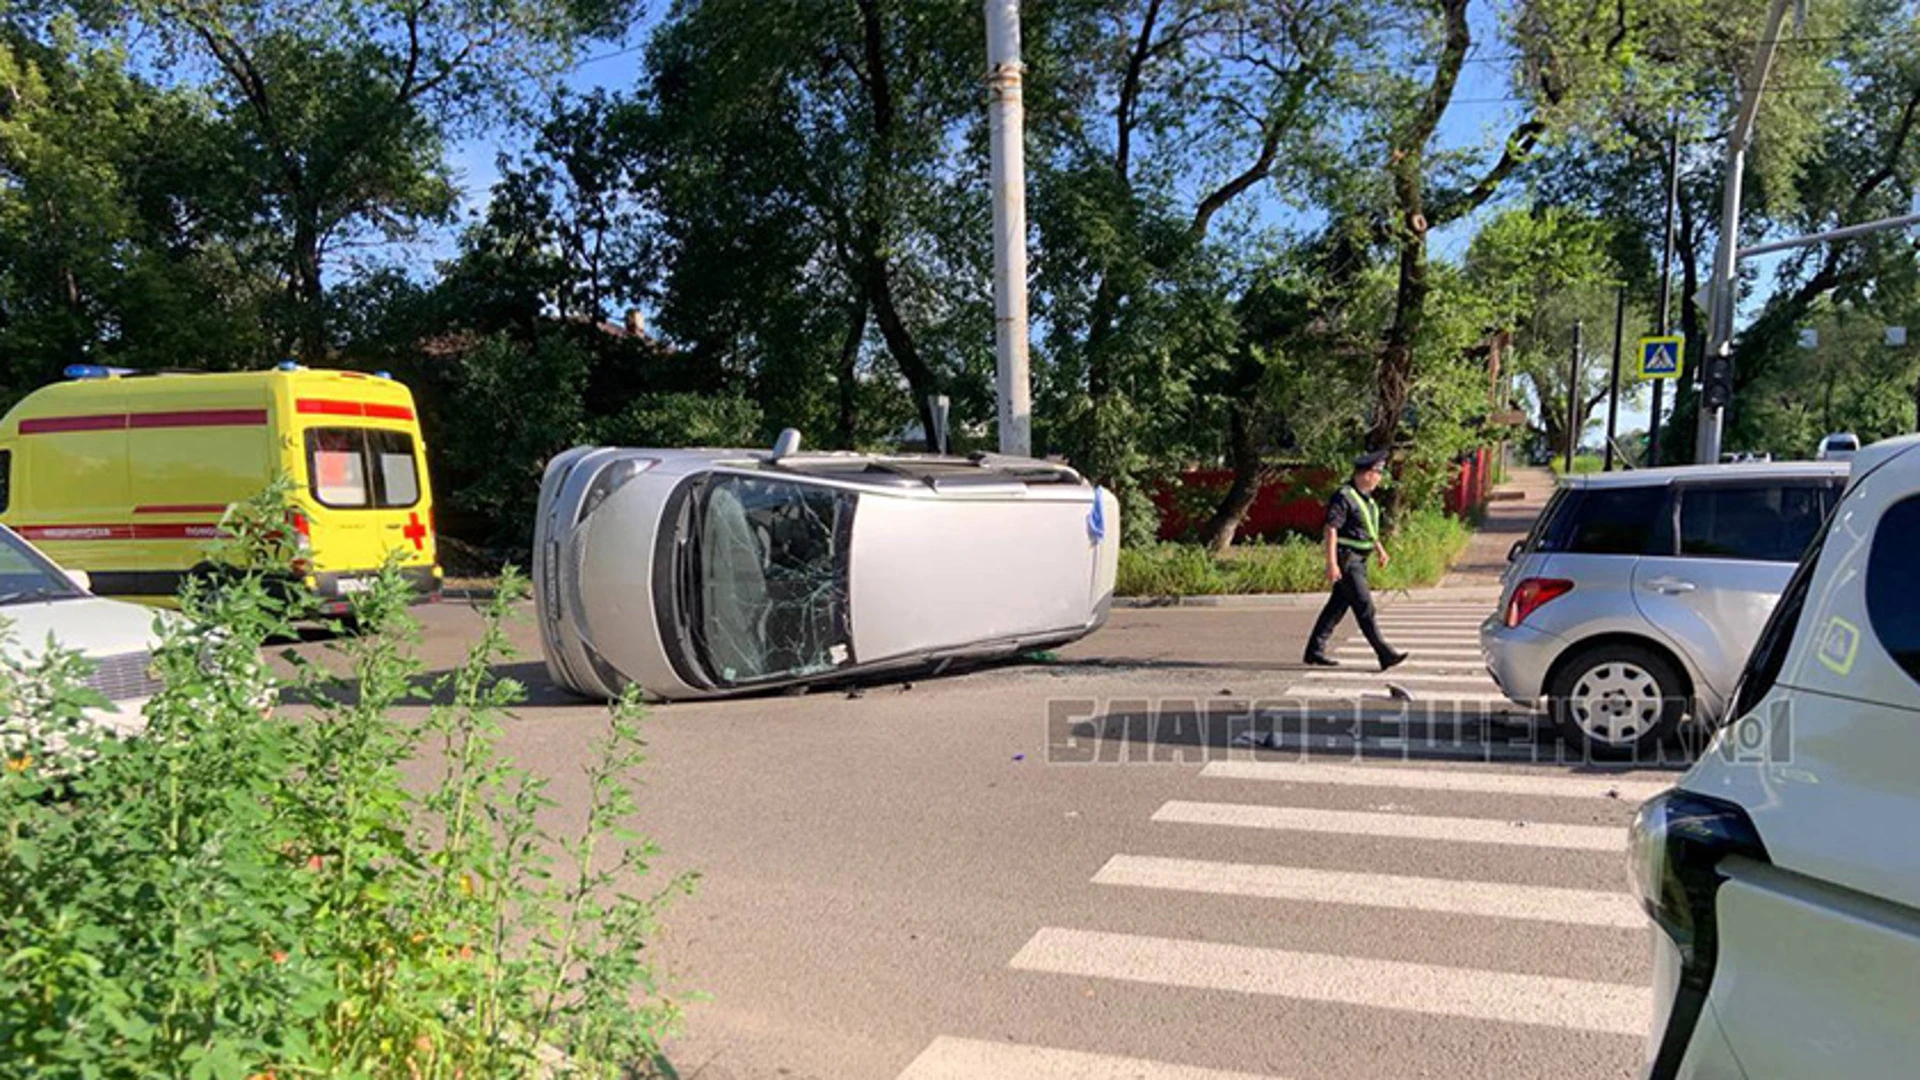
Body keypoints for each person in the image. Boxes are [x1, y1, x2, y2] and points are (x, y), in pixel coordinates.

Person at [1302, 450, 1409, 671]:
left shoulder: (1365, 499)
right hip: (1346, 559)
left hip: (1360, 558)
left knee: (1337, 606)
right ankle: (1384, 653)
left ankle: (1314, 650)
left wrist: (1380, 549)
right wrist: (1331, 563)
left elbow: (1366, 528)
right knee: (1364, 606)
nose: (1380, 477)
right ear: (1365, 473)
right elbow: (1331, 529)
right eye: (1377, 472)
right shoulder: (1344, 496)